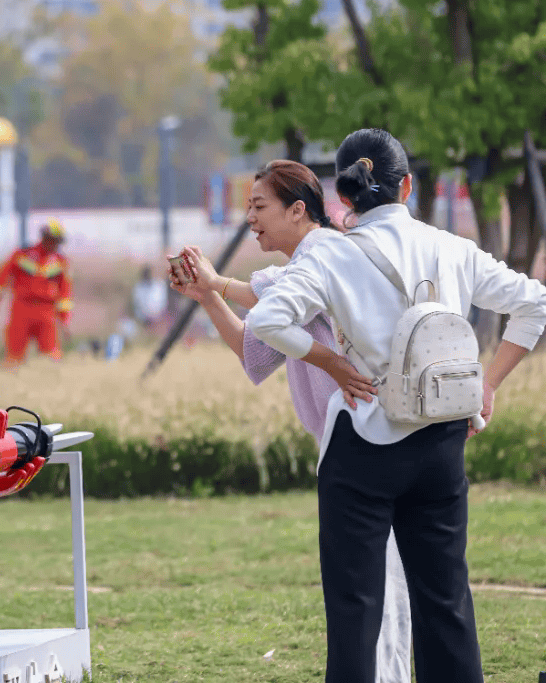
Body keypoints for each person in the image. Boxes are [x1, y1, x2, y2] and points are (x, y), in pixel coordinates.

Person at [243, 129, 546, 683]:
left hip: (363, 448)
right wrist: (490, 383)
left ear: (343, 199)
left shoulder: (329, 253)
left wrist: (332, 364)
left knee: (356, 611)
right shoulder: (451, 247)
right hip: (442, 441)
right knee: (446, 603)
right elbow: (535, 304)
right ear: (407, 185)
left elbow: (266, 321)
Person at [168, 159, 411, 683]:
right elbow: (256, 354)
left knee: (373, 589)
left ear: (298, 210)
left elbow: (273, 296)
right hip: (347, 443)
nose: (250, 217)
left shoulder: (323, 252)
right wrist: (208, 294)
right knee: (370, 588)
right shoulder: (299, 270)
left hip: (369, 443)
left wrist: (220, 281)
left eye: (259, 206)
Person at [0, 218, 73, 366]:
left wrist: (64, 320)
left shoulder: (60, 262)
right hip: (21, 309)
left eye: (58, 241)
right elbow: (1, 279)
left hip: (46, 312)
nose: (55, 245)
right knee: (14, 356)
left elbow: (65, 294)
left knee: (52, 357)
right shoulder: (22, 255)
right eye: (53, 240)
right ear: (45, 237)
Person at [132, 265, 167, 330]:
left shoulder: (159, 285)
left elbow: (163, 303)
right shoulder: (139, 287)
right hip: (142, 320)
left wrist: (157, 316)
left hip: (157, 318)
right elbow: (137, 304)